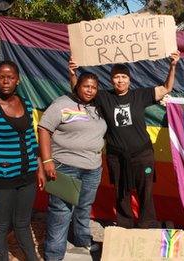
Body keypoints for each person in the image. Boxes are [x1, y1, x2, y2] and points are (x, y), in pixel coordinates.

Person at [69, 51, 180, 228]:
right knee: (121, 192)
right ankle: (125, 226)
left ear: (129, 79)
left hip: (143, 156)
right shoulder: (104, 97)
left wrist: (173, 65)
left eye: (123, 77)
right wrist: (73, 73)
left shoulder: (140, 95)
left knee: (146, 192)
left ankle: (147, 225)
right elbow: (78, 91)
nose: (120, 80)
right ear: (111, 79)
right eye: (116, 77)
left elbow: (166, 88)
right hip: (117, 158)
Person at [0, 61, 45, 261]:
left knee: (23, 222)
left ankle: (32, 258)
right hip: (2, 178)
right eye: (1, 77)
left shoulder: (26, 102)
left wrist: (39, 168)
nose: (6, 81)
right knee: (1, 224)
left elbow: (32, 139)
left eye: (10, 77)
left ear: (18, 79)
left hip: (28, 176)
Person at [38, 73, 107, 260]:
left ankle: (82, 238)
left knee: (85, 206)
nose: (90, 90)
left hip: (92, 168)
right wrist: (46, 161)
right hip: (65, 166)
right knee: (61, 211)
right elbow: (44, 129)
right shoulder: (61, 103)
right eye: (86, 86)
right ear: (77, 86)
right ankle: (54, 254)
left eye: (93, 87)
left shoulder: (98, 107)